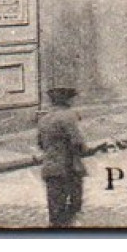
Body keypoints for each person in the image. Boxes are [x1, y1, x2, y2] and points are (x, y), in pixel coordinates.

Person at [37, 85, 88, 228]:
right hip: (69, 169)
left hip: (50, 169)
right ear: (67, 100)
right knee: (72, 210)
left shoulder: (43, 119)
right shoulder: (69, 116)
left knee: (55, 215)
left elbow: (40, 144)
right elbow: (78, 143)